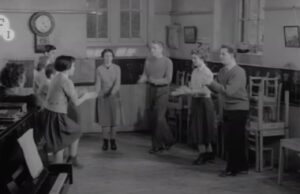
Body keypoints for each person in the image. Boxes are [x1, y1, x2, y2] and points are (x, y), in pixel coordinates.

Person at [40, 55, 97, 167]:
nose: (74, 68)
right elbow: (76, 102)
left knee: (61, 142)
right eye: (74, 66)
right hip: (56, 115)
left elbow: (64, 94)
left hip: (49, 113)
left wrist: (78, 93)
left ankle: (69, 160)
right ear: (67, 67)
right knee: (69, 136)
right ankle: (63, 167)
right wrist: (87, 96)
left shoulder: (57, 77)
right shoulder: (66, 81)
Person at [207, 45, 249, 177]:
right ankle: (242, 167)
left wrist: (211, 82)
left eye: (223, 54)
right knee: (233, 139)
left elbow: (229, 91)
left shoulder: (239, 72)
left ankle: (232, 168)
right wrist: (208, 84)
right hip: (227, 107)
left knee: (234, 139)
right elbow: (218, 90)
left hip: (239, 108)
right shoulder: (222, 71)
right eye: (220, 54)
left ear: (232, 55)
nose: (220, 56)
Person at [138, 41, 175, 154]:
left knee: (159, 118)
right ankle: (162, 143)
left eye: (154, 48)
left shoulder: (168, 62)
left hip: (162, 91)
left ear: (161, 49)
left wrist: (155, 81)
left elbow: (168, 79)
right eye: (151, 48)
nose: (152, 50)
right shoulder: (148, 61)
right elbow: (145, 74)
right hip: (151, 90)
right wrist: (143, 78)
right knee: (154, 119)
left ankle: (163, 143)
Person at [187, 48, 216, 165]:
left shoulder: (207, 72)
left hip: (205, 102)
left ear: (202, 58)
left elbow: (206, 90)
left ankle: (208, 154)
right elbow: (193, 86)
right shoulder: (194, 72)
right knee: (197, 128)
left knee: (205, 128)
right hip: (196, 101)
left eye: (195, 58)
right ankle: (203, 153)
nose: (193, 60)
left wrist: (193, 91)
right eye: (192, 58)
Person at [95, 49, 121, 151]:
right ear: (103, 57)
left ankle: (113, 141)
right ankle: (105, 141)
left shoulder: (117, 68)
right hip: (103, 96)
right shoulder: (99, 69)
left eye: (110, 56)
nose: (108, 58)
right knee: (104, 120)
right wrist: (97, 93)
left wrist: (111, 93)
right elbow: (97, 83)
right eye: (106, 56)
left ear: (113, 57)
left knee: (114, 120)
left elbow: (118, 83)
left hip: (114, 96)